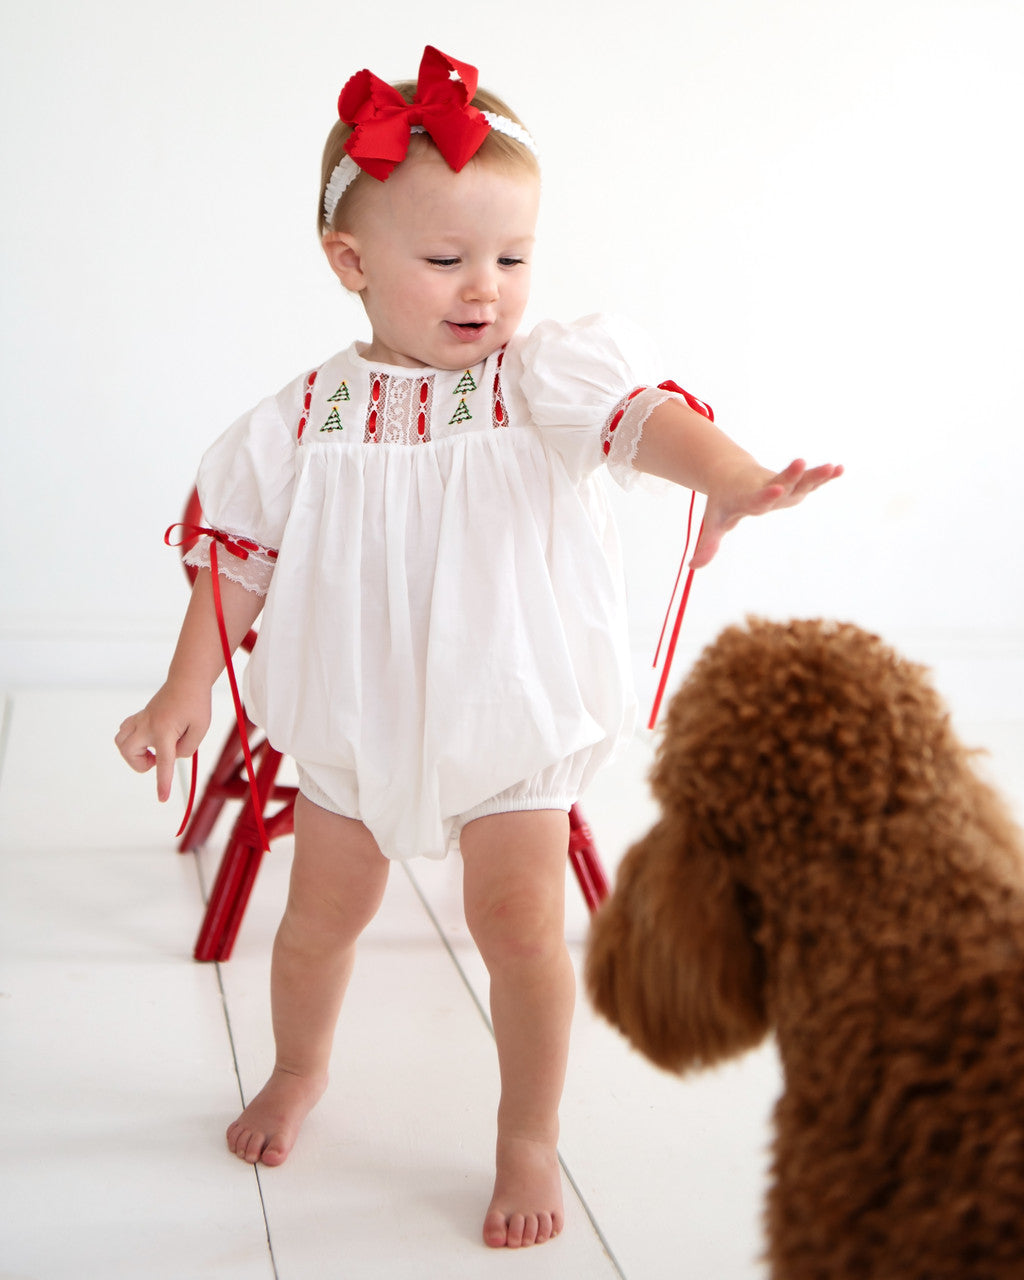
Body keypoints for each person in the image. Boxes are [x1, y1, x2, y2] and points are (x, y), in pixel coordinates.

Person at [115, 46, 842, 1250]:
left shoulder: (538, 378)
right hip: (356, 714)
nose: (486, 288)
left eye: (511, 257)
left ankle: (525, 1130)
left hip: (511, 708)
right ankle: (300, 1066)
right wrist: (185, 685)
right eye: (446, 259)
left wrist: (737, 477)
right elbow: (235, 555)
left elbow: (646, 420)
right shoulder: (305, 416)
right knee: (316, 920)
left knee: (516, 927)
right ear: (350, 262)